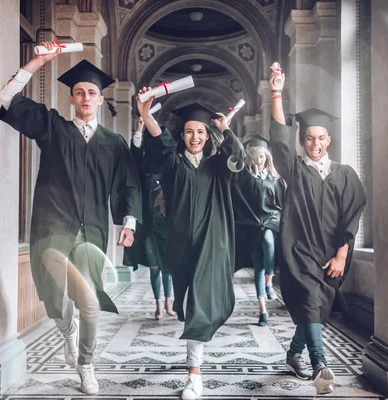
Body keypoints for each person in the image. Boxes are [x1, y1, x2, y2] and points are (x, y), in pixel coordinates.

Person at [0, 41, 141, 395]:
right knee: (53, 295)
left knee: (90, 298)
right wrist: (37, 62)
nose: (86, 97)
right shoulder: (54, 129)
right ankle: (67, 330)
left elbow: (128, 184)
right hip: (53, 225)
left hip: (91, 228)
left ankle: (86, 364)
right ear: (71, 99)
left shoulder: (114, 143)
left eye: (92, 92)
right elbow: (6, 99)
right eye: (79, 92)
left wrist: (129, 222)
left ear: (101, 100)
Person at [136, 94, 244, 400]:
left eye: (200, 132)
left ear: (208, 136)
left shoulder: (218, 166)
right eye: (188, 131)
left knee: (199, 304)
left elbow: (240, 161)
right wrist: (147, 116)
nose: (194, 137)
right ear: (182, 135)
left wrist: (226, 132)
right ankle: (195, 361)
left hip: (214, 242)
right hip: (182, 244)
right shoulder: (173, 164)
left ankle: (193, 375)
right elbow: (160, 144)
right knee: (190, 305)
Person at [267, 69, 366, 394]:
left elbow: (352, 214)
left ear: (330, 139)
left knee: (317, 306)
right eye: (309, 138)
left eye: (321, 137)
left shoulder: (345, 174)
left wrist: (342, 252)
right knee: (311, 298)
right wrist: (277, 94)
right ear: (302, 140)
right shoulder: (294, 169)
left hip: (331, 253)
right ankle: (320, 364)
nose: (315, 143)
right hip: (299, 250)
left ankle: (294, 353)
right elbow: (279, 138)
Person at [125, 116, 176, 320]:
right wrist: (138, 130)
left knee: (167, 269)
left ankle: (169, 303)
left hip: (167, 227)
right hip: (149, 227)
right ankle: (158, 306)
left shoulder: (171, 167)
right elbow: (133, 158)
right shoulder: (144, 169)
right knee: (155, 267)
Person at [232, 137, 286, 327]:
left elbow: (282, 202)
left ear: (267, 157)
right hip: (252, 223)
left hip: (270, 220)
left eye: (263, 156)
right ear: (251, 158)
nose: (260, 160)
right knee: (257, 265)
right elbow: (238, 200)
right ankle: (263, 310)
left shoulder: (276, 179)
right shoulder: (245, 178)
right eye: (256, 157)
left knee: (268, 242)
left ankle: (269, 283)